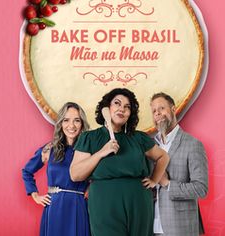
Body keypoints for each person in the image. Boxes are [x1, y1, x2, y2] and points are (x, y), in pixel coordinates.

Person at [70, 88, 170, 236]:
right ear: (107, 108)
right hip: (104, 203)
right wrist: (102, 152)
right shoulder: (89, 138)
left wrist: (154, 180)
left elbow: (163, 157)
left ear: (130, 114)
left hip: (139, 202)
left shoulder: (139, 138)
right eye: (117, 103)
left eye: (127, 107)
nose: (121, 109)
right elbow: (75, 174)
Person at [22, 102, 91, 236]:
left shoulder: (89, 150)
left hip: (79, 205)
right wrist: (35, 195)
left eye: (76, 120)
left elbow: (103, 172)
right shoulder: (50, 148)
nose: (71, 125)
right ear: (60, 123)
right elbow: (27, 171)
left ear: (82, 123)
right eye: (66, 120)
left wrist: (91, 186)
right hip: (55, 207)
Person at [149, 92, 208, 236]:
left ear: (173, 109)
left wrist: (167, 183)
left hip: (181, 228)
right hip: (151, 227)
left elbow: (201, 188)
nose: (158, 113)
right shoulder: (150, 147)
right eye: (154, 111)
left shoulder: (193, 145)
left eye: (162, 108)